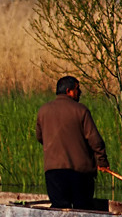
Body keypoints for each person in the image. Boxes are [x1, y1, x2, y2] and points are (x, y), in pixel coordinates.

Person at [35, 76, 110, 209]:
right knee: (82, 208)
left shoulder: (43, 110)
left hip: (53, 172)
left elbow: (40, 137)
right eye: (77, 89)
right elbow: (95, 141)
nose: (80, 92)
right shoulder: (81, 110)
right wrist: (102, 162)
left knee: (59, 207)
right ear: (69, 91)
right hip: (79, 172)